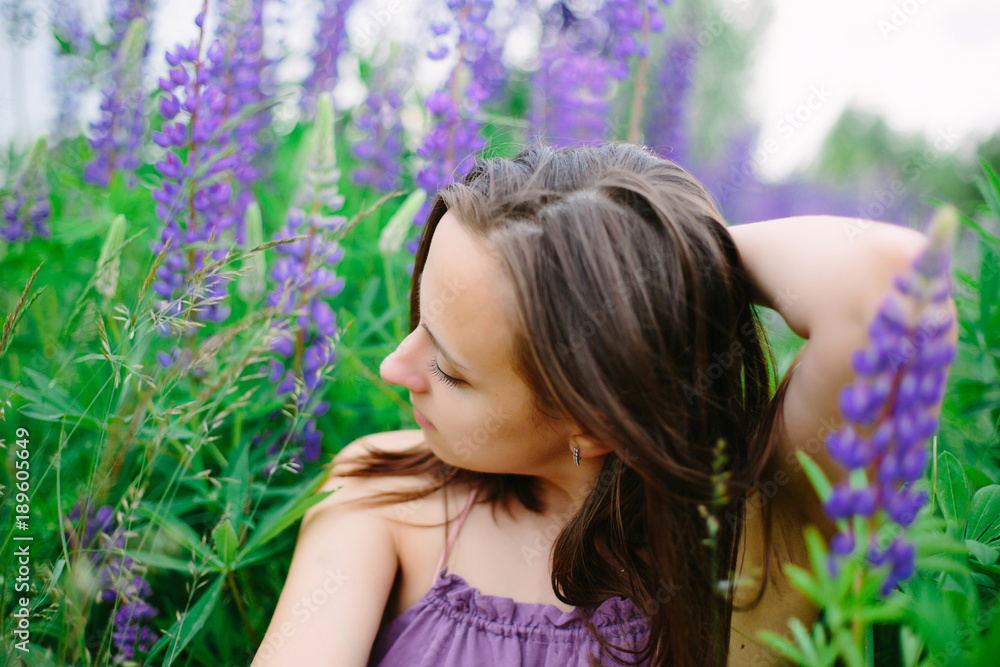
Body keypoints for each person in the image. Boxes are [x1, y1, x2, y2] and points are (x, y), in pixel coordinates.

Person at [251, 140, 935, 666]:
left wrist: (666, 265)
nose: (393, 366)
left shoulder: (751, 541)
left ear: (598, 420)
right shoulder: (387, 490)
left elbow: (893, 283)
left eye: (451, 371)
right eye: (422, 322)